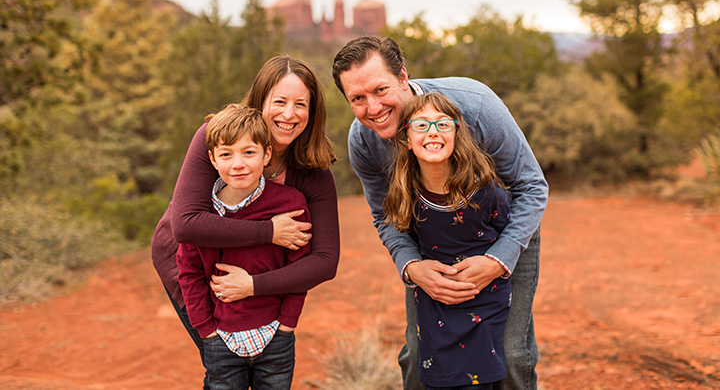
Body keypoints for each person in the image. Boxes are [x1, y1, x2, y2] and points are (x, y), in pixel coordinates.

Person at [332, 36, 548, 390]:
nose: (372, 108)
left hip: (503, 236)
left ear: (403, 78)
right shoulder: (363, 142)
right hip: (430, 247)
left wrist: (497, 260)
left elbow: (532, 187)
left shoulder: (475, 107)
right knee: (419, 357)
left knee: (510, 356)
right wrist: (412, 267)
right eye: (358, 98)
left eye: (380, 89)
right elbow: (386, 215)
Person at [151, 55, 340, 389]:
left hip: (262, 291)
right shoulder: (219, 136)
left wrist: (254, 285)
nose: (288, 113)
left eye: (301, 104)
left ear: (313, 112)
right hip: (196, 274)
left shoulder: (312, 173)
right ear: (260, 100)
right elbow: (186, 225)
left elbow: (324, 262)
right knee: (228, 374)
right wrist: (271, 232)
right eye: (279, 101)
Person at [383, 93, 513, 389]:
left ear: (457, 132)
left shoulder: (485, 191)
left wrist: (494, 265)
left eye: (443, 123)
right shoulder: (406, 195)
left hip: (484, 301)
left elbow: (509, 231)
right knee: (435, 378)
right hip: (435, 302)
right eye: (420, 125)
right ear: (405, 138)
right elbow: (400, 233)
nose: (432, 131)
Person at [178, 104, 310, 389]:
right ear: (212, 159)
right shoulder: (203, 215)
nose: (238, 164)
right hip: (220, 337)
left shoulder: (290, 204)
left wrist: (287, 324)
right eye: (226, 154)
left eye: (249, 152)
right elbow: (188, 273)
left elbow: (300, 266)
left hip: (276, 335)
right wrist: (207, 331)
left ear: (267, 154)